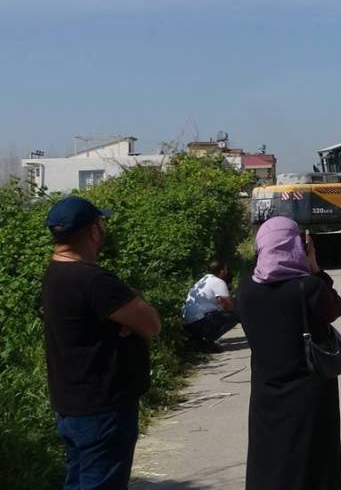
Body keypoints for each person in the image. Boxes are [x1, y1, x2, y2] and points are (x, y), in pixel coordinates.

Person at [41, 196, 162, 490]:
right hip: (102, 407)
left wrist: (124, 324)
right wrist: (127, 325)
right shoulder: (94, 281)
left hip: (71, 402)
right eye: (101, 223)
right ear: (93, 230)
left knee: (78, 481)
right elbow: (151, 324)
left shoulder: (53, 274)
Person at [237, 217, 341, 490]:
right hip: (310, 394)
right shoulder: (309, 287)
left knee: (270, 457)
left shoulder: (245, 289)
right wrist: (315, 268)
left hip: (266, 392)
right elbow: (336, 308)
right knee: (314, 459)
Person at [182, 260, 239, 353]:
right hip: (200, 322)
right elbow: (226, 303)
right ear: (221, 271)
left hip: (189, 323)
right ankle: (206, 342)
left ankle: (197, 340)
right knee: (234, 315)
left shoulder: (202, 281)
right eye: (225, 270)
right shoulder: (218, 281)